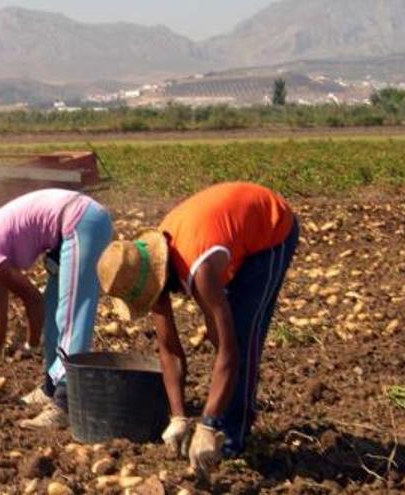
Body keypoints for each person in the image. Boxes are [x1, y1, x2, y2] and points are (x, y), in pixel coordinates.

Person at [96, 182, 298, 477]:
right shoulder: (148, 270)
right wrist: (177, 416)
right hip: (222, 234)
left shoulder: (199, 270)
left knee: (241, 332)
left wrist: (207, 423)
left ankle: (233, 436)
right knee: (226, 327)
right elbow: (169, 350)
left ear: (159, 278)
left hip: (270, 227)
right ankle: (218, 422)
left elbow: (230, 353)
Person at [0, 189, 113, 429]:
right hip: (69, 231)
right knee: (53, 310)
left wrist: (31, 343)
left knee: (71, 314)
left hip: (80, 222)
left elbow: (32, 299)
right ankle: (51, 387)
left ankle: (64, 403)